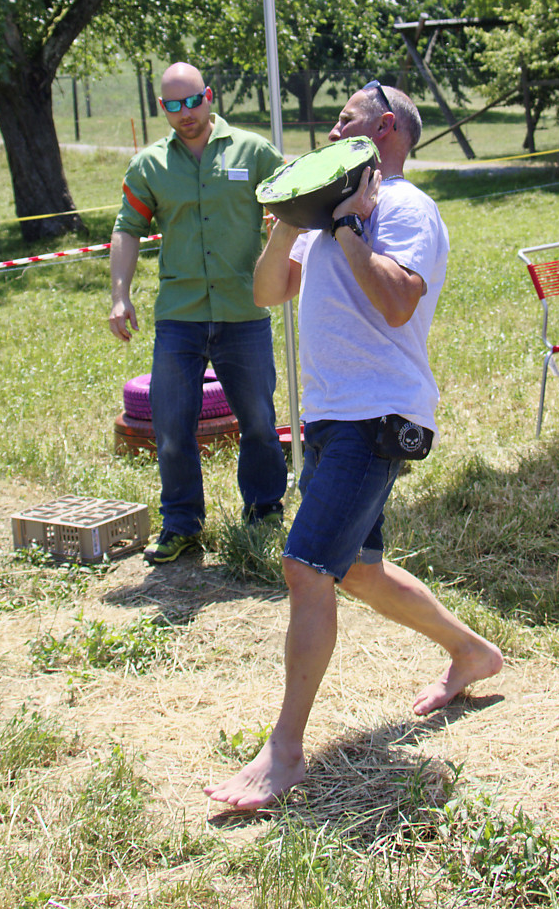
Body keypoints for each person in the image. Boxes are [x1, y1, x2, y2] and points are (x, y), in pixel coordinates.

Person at [206, 80, 502, 811]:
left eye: (346, 121)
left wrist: (348, 226)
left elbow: (398, 300)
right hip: (332, 417)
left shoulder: (402, 206)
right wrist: (289, 224)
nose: (333, 132)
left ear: (386, 127)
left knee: (305, 567)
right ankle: (472, 652)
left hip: (379, 416)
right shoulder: (329, 214)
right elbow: (267, 293)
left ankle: (285, 751)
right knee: (360, 572)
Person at [109, 63, 289, 564]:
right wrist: (120, 295)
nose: (185, 113)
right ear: (161, 108)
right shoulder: (149, 165)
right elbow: (127, 228)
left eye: (193, 101)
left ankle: (264, 512)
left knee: (258, 421)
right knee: (170, 427)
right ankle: (182, 524)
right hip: (179, 316)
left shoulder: (253, 151)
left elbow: (290, 208)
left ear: (209, 96)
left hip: (244, 311)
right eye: (173, 106)